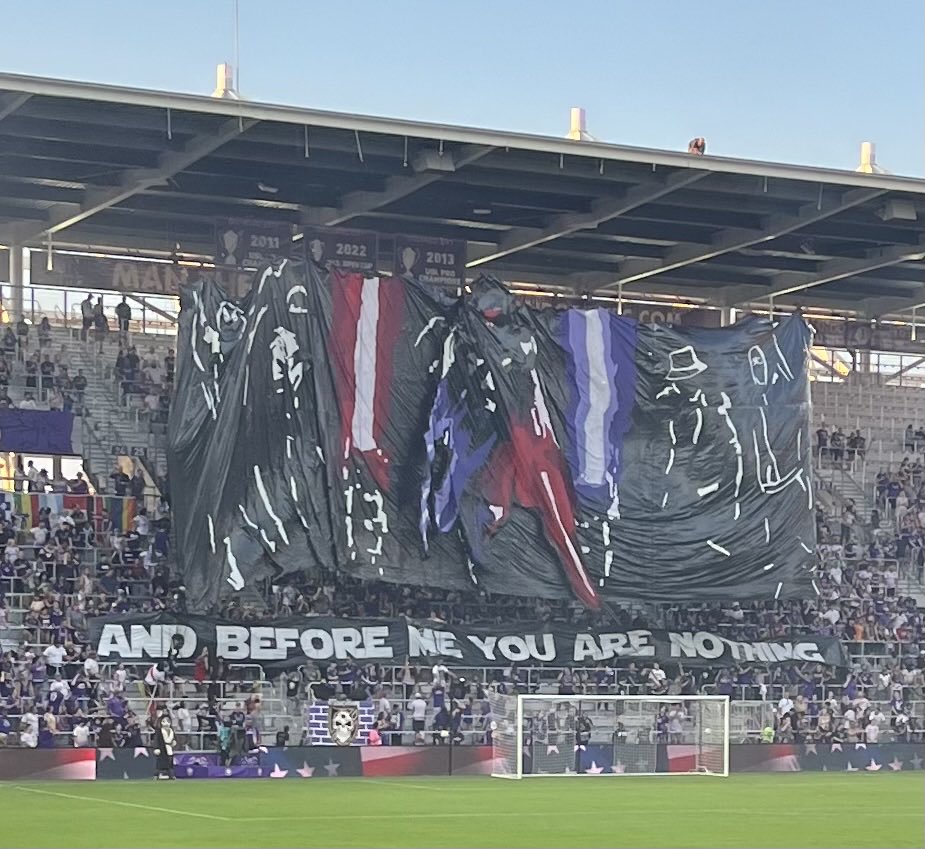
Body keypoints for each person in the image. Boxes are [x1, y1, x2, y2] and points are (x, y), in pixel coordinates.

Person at [152, 712, 176, 779]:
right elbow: (156, 739)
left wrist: (174, 742)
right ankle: (156, 775)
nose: (166, 723)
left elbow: (174, 738)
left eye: (168, 721)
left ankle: (171, 774)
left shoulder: (171, 731)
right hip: (162, 748)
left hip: (169, 748)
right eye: (164, 721)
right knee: (160, 763)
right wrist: (156, 748)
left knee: (170, 762)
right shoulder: (159, 731)